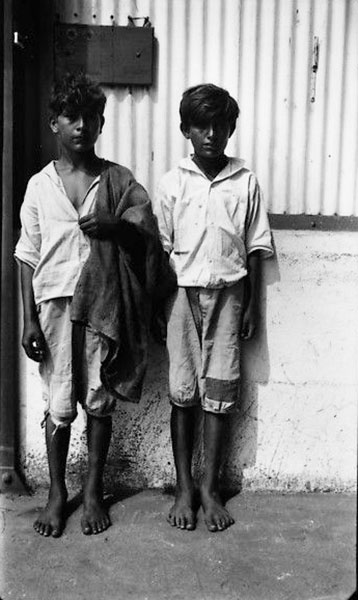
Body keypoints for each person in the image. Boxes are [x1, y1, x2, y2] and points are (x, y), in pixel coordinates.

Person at [15, 72, 174, 538]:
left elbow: (147, 233)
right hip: (56, 310)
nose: (81, 125)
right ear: (54, 124)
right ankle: (56, 493)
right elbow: (26, 256)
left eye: (91, 117)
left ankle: (91, 491)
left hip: (106, 307)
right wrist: (29, 320)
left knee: (99, 403)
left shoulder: (118, 181)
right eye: (71, 117)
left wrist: (116, 226)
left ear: (101, 123)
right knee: (60, 404)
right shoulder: (39, 186)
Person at [153, 83, 274, 532]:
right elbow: (160, 251)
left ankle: (210, 488)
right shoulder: (172, 182)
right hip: (181, 297)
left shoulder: (245, 181)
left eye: (219, 125)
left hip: (229, 295)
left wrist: (252, 308)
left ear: (230, 128)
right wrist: (157, 308)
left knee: (219, 396)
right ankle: (184, 488)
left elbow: (258, 246)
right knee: (183, 393)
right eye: (200, 125)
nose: (210, 134)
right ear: (186, 129)